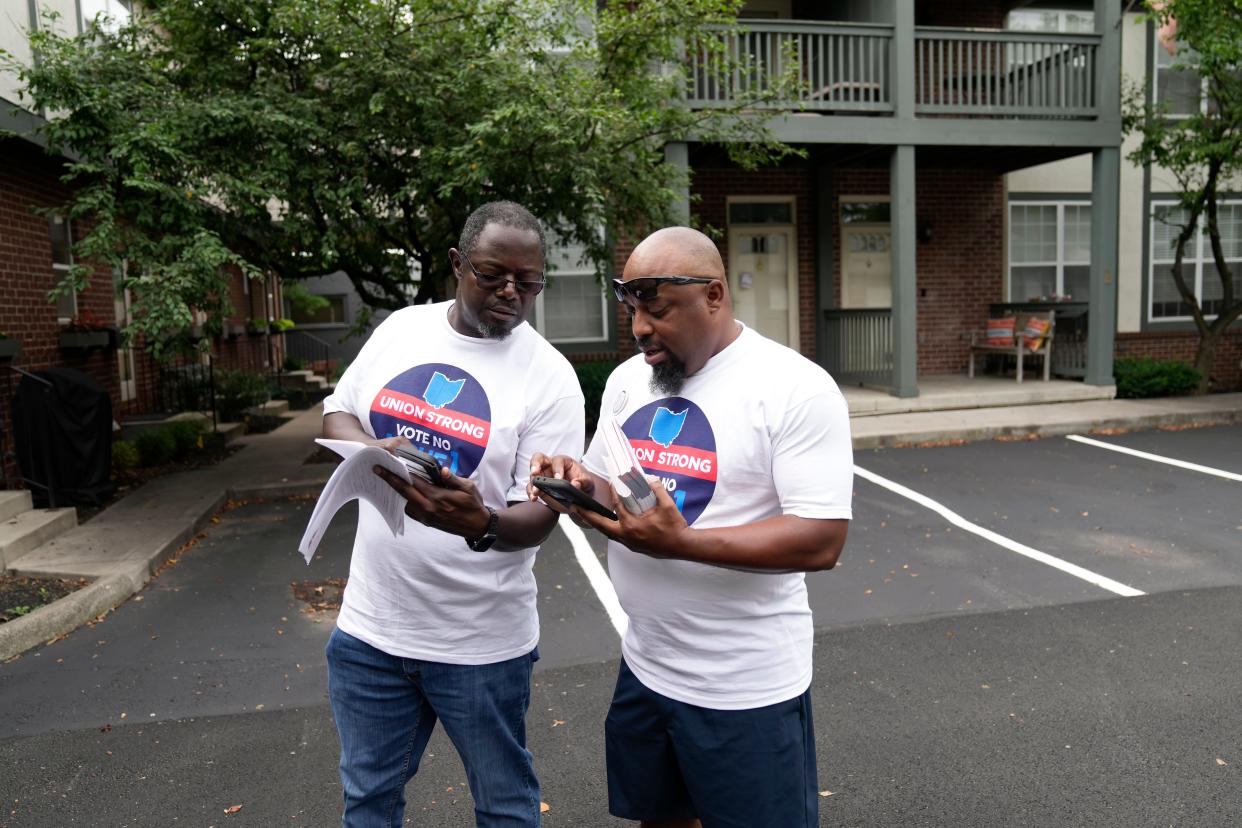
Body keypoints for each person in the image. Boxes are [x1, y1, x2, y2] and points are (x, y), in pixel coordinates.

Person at [530, 226, 852, 828]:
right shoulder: (631, 381)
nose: (640, 329)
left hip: (743, 687)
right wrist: (575, 482)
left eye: (657, 311)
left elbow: (822, 537)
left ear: (714, 294)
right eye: (632, 311)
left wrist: (684, 544)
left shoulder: (795, 389)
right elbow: (610, 483)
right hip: (648, 665)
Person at [320, 201, 584, 827]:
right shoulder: (401, 330)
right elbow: (336, 414)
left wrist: (482, 524)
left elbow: (540, 518)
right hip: (371, 632)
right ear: (457, 264)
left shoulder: (550, 378)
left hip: (481, 644)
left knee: (504, 807)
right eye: (493, 275)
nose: (512, 293)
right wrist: (373, 451)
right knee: (368, 800)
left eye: (530, 282)